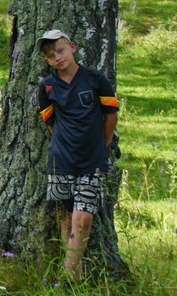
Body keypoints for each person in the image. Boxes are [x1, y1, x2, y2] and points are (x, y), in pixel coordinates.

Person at [35, 28, 118, 282]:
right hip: (60, 161)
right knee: (65, 216)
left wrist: (101, 147)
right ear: (47, 61)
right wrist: (64, 142)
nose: (57, 57)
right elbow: (50, 122)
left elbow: (111, 115)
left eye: (60, 50)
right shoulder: (47, 86)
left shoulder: (95, 79)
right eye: (50, 56)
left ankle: (67, 274)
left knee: (83, 218)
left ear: (72, 47)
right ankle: (77, 274)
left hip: (92, 161)